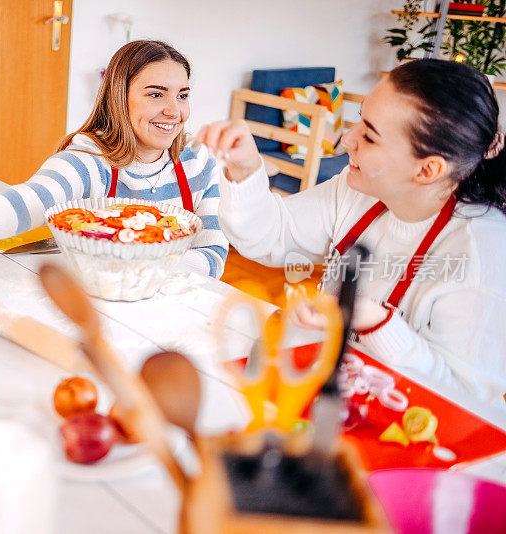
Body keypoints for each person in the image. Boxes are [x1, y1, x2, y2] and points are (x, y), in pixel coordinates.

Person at [197, 59, 506, 406]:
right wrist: (245, 168)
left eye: (370, 136)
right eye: (360, 118)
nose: (347, 138)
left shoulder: (481, 255)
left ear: (428, 169)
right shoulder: (356, 189)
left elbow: (466, 401)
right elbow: (270, 234)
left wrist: (374, 322)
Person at [0, 40, 228, 281]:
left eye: (182, 95)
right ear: (120, 99)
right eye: (156, 94)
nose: (174, 111)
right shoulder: (91, 158)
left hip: (179, 303)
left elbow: (213, 253)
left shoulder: (198, 162)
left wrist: (150, 274)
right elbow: (29, 199)